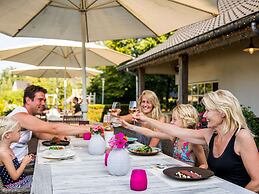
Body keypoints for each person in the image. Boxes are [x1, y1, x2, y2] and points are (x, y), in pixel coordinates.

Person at [132, 90, 259, 192]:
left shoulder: (242, 136)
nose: (204, 116)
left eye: (208, 111)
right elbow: (175, 131)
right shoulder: (210, 134)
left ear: (223, 112)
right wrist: (146, 119)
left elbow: (257, 183)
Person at [7, 85, 91, 162]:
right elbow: (53, 128)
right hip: (13, 170)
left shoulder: (26, 115)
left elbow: (38, 134)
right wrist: (88, 129)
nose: (43, 103)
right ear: (28, 100)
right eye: (40, 100)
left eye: (44, 100)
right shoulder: (20, 116)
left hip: (21, 163)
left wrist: (58, 137)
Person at [121, 104, 208, 169]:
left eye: (174, 119)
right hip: (174, 173)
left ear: (185, 121)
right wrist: (130, 126)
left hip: (187, 177)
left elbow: (204, 164)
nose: (171, 122)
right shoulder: (175, 137)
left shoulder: (193, 142)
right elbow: (151, 133)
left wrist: (195, 173)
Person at [0, 117, 34, 189]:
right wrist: (24, 163)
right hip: (15, 185)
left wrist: (27, 159)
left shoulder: (8, 149)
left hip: (21, 181)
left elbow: (14, 166)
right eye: (18, 131)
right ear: (7, 135)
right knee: (42, 182)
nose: (20, 134)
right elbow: (14, 176)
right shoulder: (4, 153)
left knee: (40, 177)